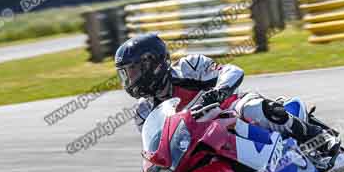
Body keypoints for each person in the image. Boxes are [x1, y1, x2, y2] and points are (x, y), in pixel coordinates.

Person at [114, 33, 326, 144]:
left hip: (233, 113)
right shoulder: (143, 113)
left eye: (133, 70)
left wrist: (220, 90)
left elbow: (232, 70)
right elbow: (157, 146)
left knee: (255, 108)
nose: (130, 78)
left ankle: (316, 139)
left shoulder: (189, 67)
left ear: (153, 63)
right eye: (126, 73)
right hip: (205, 140)